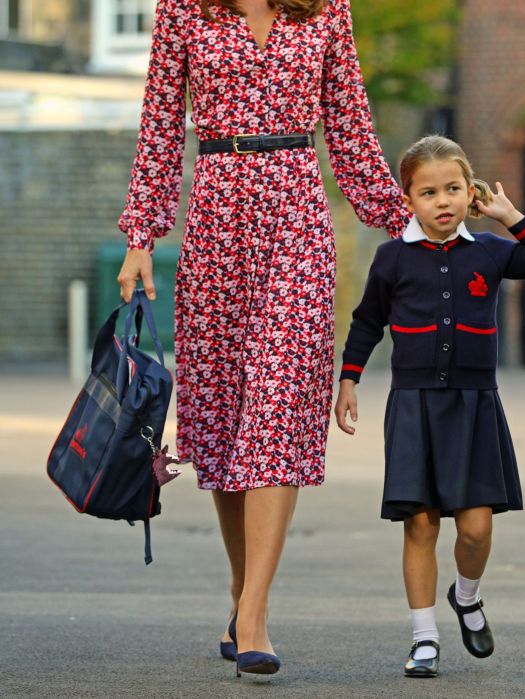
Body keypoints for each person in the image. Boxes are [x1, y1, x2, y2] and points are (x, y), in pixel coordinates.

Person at [114, 0, 410, 677]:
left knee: (277, 406)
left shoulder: (326, 10)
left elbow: (352, 128)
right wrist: (141, 234)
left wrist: (409, 221)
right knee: (222, 417)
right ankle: (243, 588)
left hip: (297, 219)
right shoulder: (184, 10)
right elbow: (159, 129)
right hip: (215, 218)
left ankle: (254, 612)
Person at [333, 135, 525, 678]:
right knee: (420, 526)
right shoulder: (392, 256)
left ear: (469, 191)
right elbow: (366, 322)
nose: (443, 201)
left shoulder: (490, 251)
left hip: (475, 405)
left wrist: (509, 216)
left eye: (453, 189)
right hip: (414, 405)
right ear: (408, 199)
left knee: (474, 529)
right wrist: (348, 380)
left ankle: (467, 597)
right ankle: (424, 638)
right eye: (429, 192)